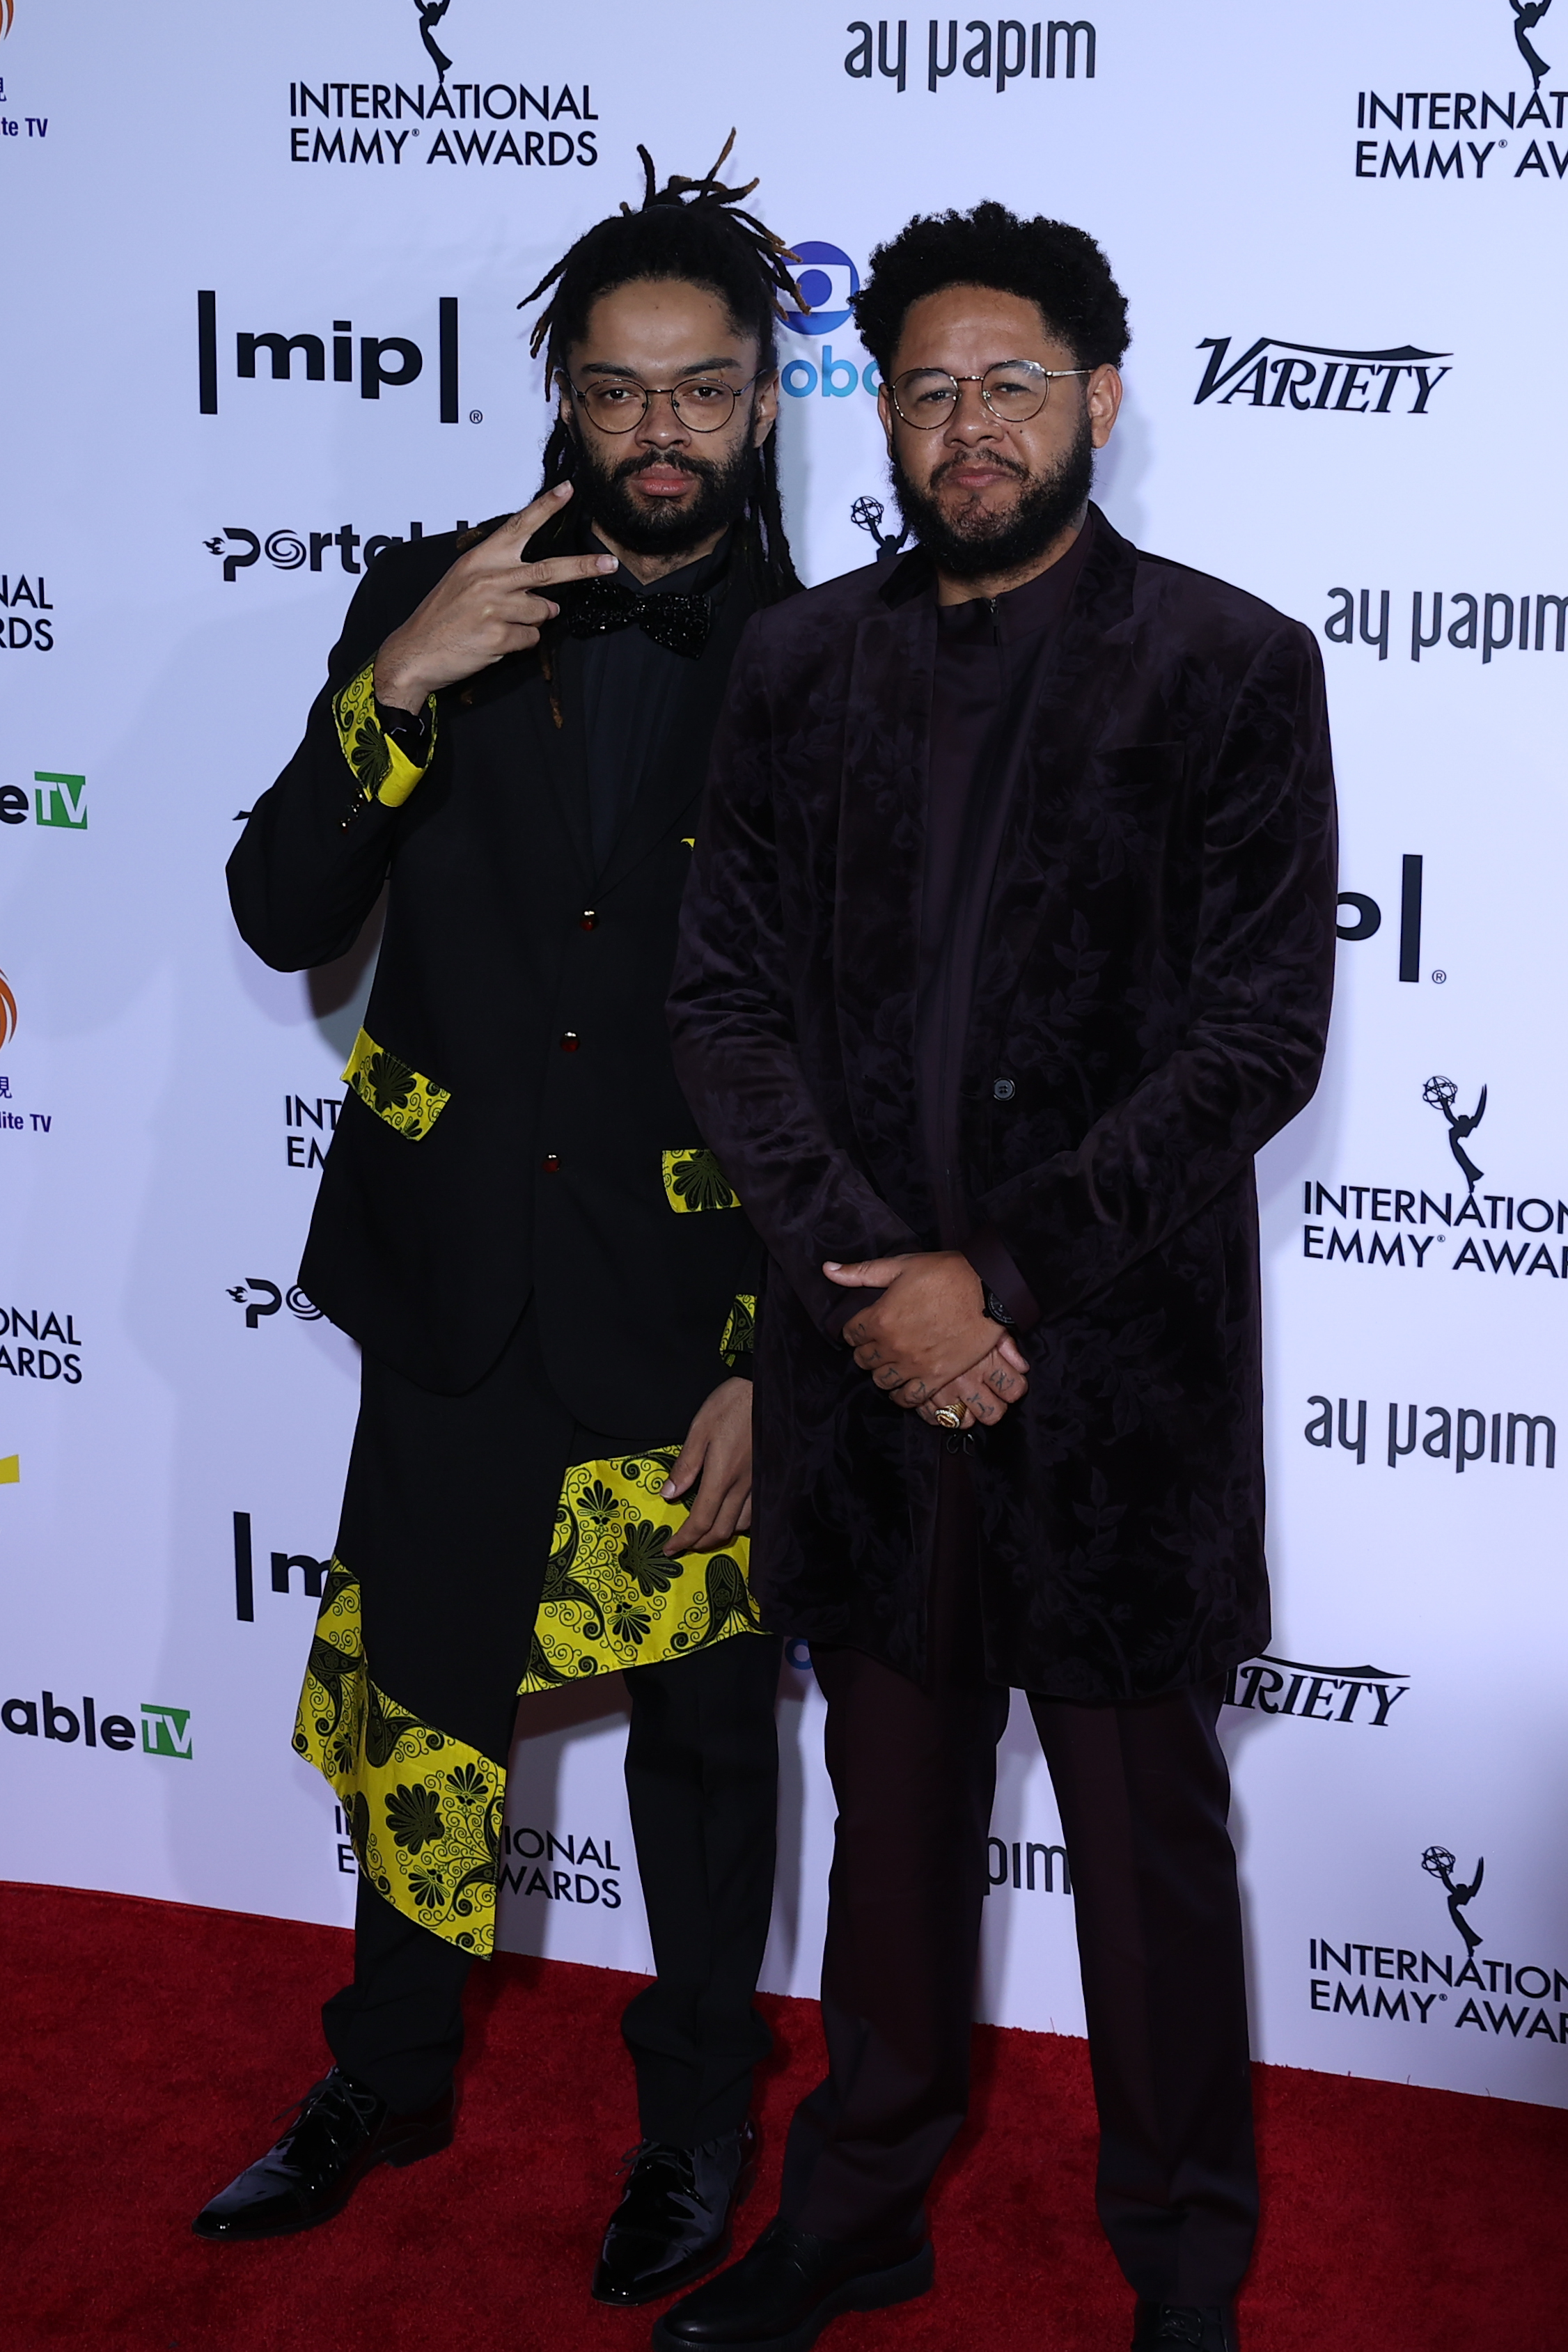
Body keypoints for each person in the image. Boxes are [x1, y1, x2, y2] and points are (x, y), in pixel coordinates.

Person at [662, 203, 1338, 2352]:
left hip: (1108, 1383)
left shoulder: (1230, 666)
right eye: (928, 388)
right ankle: (856, 2211)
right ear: (886, 408)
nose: (968, 427)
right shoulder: (796, 664)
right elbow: (724, 1001)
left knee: (1147, 1866)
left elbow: (1253, 1035)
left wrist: (1003, 1280)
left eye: (1012, 384)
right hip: (870, 1372)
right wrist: (883, 1289)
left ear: (1099, 400)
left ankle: (1181, 2269)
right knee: (889, 1839)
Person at [200, 141, 805, 2308]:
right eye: (619, 384)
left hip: (689, 1300)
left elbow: (845, 1037)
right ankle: (387, 2070)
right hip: (451, 1267)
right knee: (422, 1694)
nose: (659, 427)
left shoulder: (833, 656)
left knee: (707, 1747)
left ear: (760, 404)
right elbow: (284, 914)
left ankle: (696, 2125)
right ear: (556, 389)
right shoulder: (416, 592)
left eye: (704, 388)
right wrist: (399, 690)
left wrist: (770, 1340)